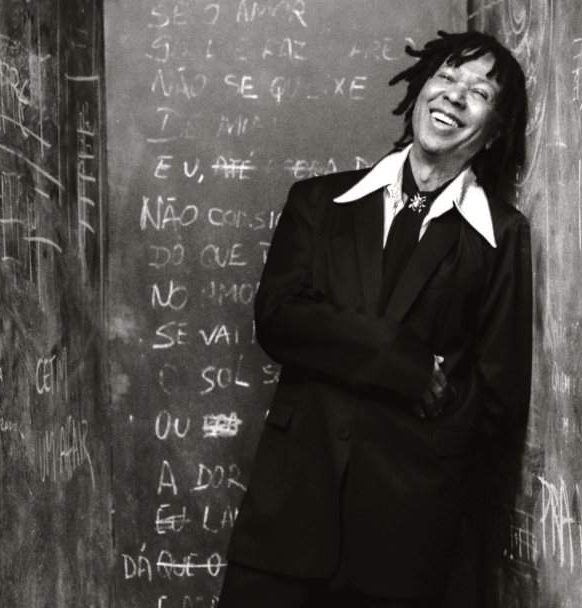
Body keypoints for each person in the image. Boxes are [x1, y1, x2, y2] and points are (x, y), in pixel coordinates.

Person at [217, 29, 532, 607]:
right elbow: (279, 317)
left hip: (406, 539)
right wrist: (400, 363)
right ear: (420, 91)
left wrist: (425, 429)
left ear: (494, 130)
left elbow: (498, 401)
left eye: (480, 92)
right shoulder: (317, 203)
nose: (454, 95)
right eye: (446, 77)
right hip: (289, 519)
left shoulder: (502, 235)